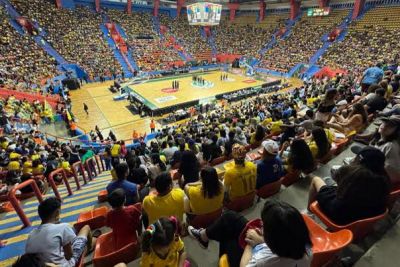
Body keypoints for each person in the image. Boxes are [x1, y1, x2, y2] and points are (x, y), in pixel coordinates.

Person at [188, 199, 312, 267]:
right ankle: (203, 236)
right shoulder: (305, 248)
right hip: (272, 248)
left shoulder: (263, 261)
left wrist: (252, 244)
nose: (261, 226)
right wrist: (263, 240)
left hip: (250, 259)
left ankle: (204, 238)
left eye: (265, 226)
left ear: (274, 239)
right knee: (230, 217)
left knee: (228, 236)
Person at [308, 164, 389, 225]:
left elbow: (324, 192)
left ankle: (309, 210)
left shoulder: (336, 205)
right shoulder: (379, 202)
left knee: (316, 179)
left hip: (338, 219)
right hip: (358, 221)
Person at [25, 197, 96, 267]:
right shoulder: (63, 227)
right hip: (66, 265)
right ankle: (88, 249)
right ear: (57, 212)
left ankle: (87, 247)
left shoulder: (31, 234)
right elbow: (69, 256)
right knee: (86, 228)